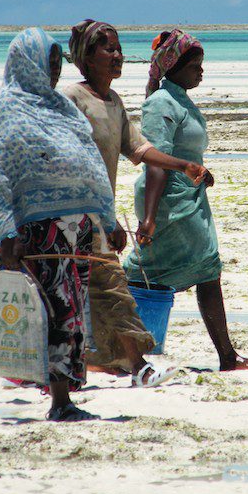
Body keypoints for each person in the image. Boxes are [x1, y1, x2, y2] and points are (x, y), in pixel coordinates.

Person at [0, 27, 117, 421]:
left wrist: (107, 218)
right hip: (36, 231)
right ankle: (61, 401)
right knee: (46, 310)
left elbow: (90, 163)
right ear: (25, 63)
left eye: (56, 63)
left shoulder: (62, 108)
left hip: (76, 226)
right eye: (46, 62)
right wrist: (7, 232)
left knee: (66, 312)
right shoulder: (7, 113)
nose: (53, 71)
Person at [63, 20, 209, 387]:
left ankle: (82, 366)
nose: (117, 56)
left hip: (99, 216)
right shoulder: (71, 99)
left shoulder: (113, 102)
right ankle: (139, 366)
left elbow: (141, 150)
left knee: (85, 294)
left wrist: (185, 165)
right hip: (72, 217)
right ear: (86, 57)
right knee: (111, 288)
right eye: (108, 49)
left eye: (118, 49)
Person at [124, 29, 248, 372]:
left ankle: (225, 356)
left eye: (201, 64)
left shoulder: (180, 99)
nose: (200, 71)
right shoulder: (161, 103)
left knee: (201, 269)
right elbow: (156, 161)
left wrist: (202, 173)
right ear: (173, 65)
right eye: (194, 65)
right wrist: (149, 218)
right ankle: (119, 348)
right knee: (152, 272)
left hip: (189, 199)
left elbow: (184, 152)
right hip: (169, 205)